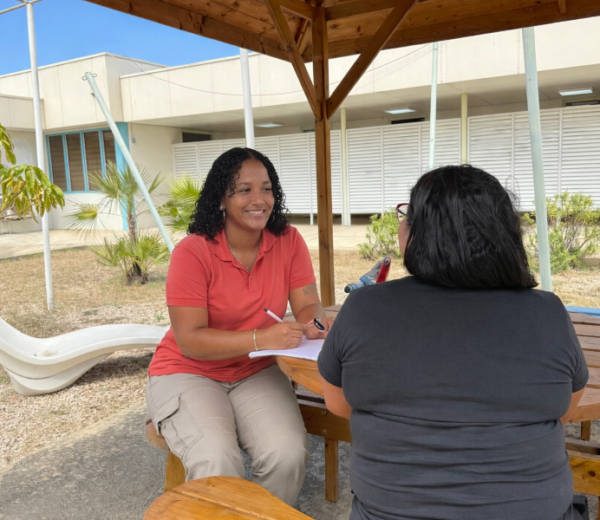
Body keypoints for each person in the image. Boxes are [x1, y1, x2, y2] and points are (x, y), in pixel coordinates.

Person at [318, 164, 588, 520]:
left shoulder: (364, 308)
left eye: (407, 216)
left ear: (419, 234)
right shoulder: (547, 313)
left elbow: (338, 402)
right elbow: (564, 410)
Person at [146, 147, 332, 505]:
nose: (259, 199)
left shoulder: (288, 241)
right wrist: (262, 337)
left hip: (255, 370)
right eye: (244, 190)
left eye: (266, 189)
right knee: (217, 460)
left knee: (287, 455)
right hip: (188, 371)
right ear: (222, 197)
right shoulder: (192, 251)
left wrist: (313, 322)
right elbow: (190, 340)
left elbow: (307, 304)